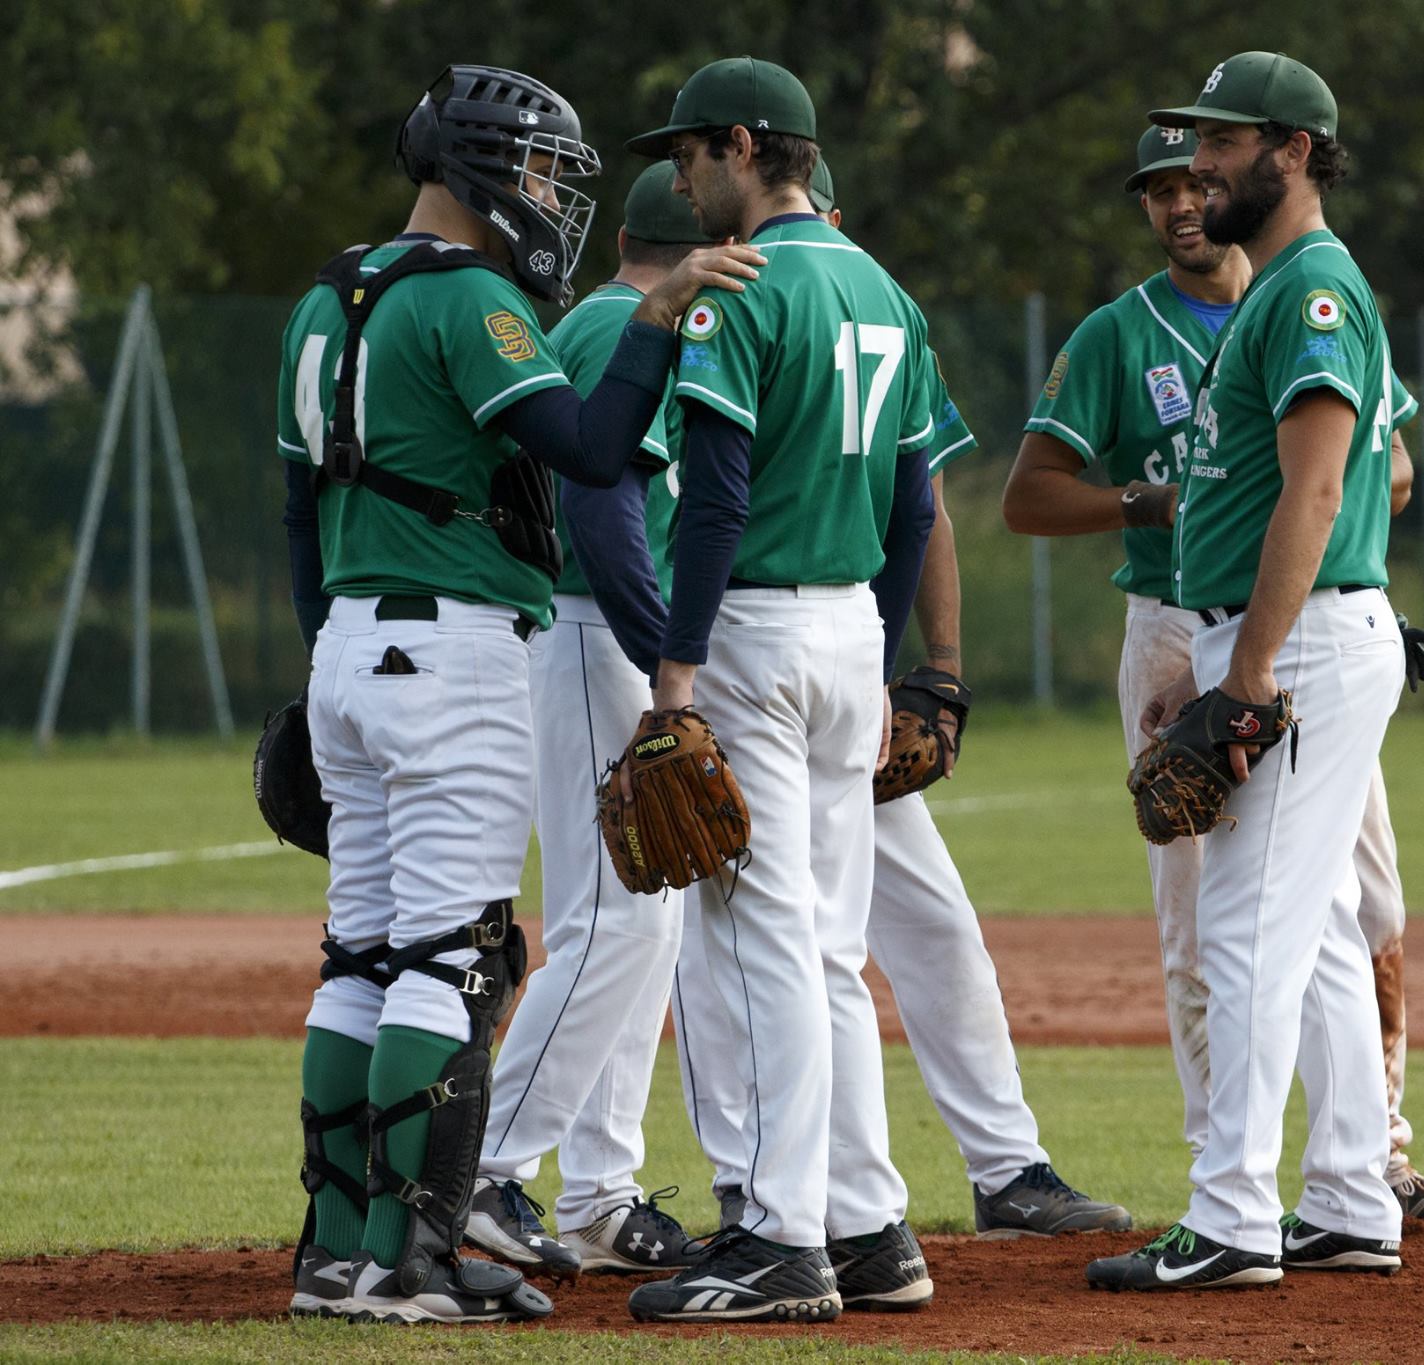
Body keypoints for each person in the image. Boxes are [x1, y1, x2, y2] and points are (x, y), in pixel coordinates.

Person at [278, 64, 760, 1324]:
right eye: (541, 170)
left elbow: (296, 510)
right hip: (452, 652)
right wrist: (654, 325)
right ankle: (415, 1261)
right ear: (486, 165)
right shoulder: (470, 296)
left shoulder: (326, 296)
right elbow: (594, 452)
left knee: (363, 956)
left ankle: (336, 1255)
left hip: (347, 645)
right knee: (457, 958)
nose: (548, 195)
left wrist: (321, 652)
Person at [1003, 128, 1424, 1221]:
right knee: (1210, 924)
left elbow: (1383, 466)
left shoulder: (1298, 296)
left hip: (1290, 622)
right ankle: (1248, 1175)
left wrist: (1303, 513)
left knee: (1358, 906)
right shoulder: (1119, 335)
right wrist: (1153, 502)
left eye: (1201, 175)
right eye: (1162, 187)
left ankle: (1364, 1166)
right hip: (1184, 625)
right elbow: (1023, 496)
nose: (1184, 201)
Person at [670, 159, 1133, 1252]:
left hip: (790, 653)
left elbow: (909, 503)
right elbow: (909, 503)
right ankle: (786, 1195)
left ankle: (952, 1183)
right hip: (813, 651)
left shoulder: (774, 301)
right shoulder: (855, 298)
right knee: (767, 940)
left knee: (829, 932)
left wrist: (930, 669)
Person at [1082, 51, 1412, 1291]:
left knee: (1247, 929)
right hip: (1288, 636)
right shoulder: (1285, 286)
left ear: (1291, 149)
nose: (1197, 163)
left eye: (1221, 142)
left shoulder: (1309, 290)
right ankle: (1345, 1199)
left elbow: (1322, 490)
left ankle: (1227, 1218)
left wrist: (1251, 669)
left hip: (1300, 641)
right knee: (1316, 928)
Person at [617, 58, 938, 1325]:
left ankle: (778, 1238)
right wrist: (884, 646)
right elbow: (916, 504)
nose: (685, 176)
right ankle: (869, 1229)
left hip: (750, 631)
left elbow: (714, 504)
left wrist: (673, 673)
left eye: (695, 152)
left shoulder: (737, 289)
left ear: (749, 146)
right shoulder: (884, 291)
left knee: (757, 943)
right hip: (852, 630)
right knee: (827, 947)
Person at [462, 162, 717, 1280]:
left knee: (641, 921)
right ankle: (482, 1168)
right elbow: (598, 510)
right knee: (615, 920)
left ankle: (602, 1196)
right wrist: (666, 657)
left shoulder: (600, 309)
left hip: (580, 633)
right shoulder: (632, 328)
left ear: (623, 234)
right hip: (587, 631)